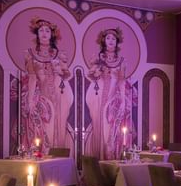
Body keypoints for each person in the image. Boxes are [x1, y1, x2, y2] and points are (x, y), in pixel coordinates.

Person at [21, 17, 73, 151]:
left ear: (52, 35)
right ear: (37, 34)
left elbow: (67, 74)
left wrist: (59, 70)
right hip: (41, 96)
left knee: (57, 126)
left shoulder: (60, 54)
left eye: (47, 31)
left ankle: (55, 157)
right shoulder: (29, 54)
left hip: (58, 95)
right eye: (41, 31)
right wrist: (31, 100)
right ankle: (42, 155)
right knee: (41, 127)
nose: (44, 33)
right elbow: (32, 77)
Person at [85, 27, 135, 159]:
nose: (111, 41)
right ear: (104, 41)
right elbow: (92, 76)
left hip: (113, 100)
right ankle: (99, 159)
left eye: (113, 38)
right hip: (97, 97)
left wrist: (123, 101)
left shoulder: (122, 61)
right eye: (108, 38)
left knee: (111, 129)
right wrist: (97, 70)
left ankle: (110, 159)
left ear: (117, 42)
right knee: (99, 127)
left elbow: (121, 81)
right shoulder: (97, 58)